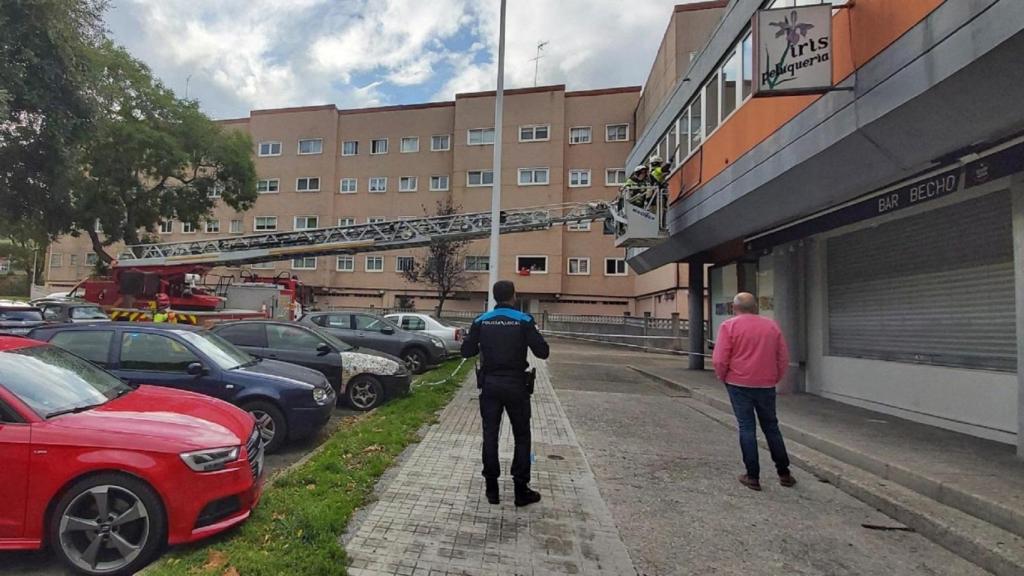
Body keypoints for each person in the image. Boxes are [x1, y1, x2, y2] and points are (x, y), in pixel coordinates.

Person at [461, 280, 550, 507]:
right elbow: (542, 352)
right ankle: (521, 490)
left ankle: (492, 489)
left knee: (490, 435)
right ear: (513, 296)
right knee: (522, 436)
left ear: (494, 296)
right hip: (516, 385)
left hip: (490, 384)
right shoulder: (524, 320)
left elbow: (466, 351)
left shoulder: (481, 320)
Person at [712, 292, 795, 491]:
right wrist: (774, 377)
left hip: (738, 383)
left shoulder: (729, 326)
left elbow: (720, 359)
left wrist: (723, 377)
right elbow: (783, 357)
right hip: (766, 384)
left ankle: (753, 476)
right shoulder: (771, 326)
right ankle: (784, 472)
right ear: (755, 307)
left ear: (734, 308)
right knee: (771, 426)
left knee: (747, 427)